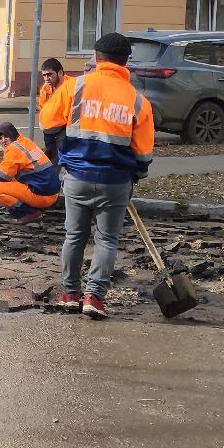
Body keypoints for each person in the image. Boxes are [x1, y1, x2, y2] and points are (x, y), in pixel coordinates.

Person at [54, 32, 154, 319]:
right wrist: (138, 173)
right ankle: (94, 298)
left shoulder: (75, 87)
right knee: (107, 239)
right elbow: (144, 152)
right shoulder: (137, 100)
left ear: (97, 58)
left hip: (77, 176)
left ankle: (70, 293)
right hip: (116, 181)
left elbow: (48, 120)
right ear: (126, 62)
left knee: (74, 235)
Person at [0, 121, 60, 221]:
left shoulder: (13, 149)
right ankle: (35, 207)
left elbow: (2, 177)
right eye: (0, 138)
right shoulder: (24, 141)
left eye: (5, 137)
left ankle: (29, 213)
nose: (3, 141)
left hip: (43, 197)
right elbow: (21, 164)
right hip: (52, 194)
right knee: (10, 179)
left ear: (12, 135)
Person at [36, 58, 70, 159]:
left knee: (60, 158)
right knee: (50, 156)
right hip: (48, 130)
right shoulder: (45, 89)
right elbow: (42, 108)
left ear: (60, 73)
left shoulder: (71, 86)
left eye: (50, 74)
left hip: (65, 128)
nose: (46, 79)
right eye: (44, 75)